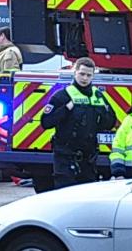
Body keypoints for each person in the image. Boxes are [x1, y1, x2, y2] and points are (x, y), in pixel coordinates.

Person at [40, 57, 116, 189]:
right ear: (74, 72)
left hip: (88, 157)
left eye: (88, 75)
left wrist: (102, 112)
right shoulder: (62, 95)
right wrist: (66, 109)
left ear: (93, 76)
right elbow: (46, 122)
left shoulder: (97, 96)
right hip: (66, 156)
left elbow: (110, 123)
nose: (85, 78)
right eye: (82, 74)